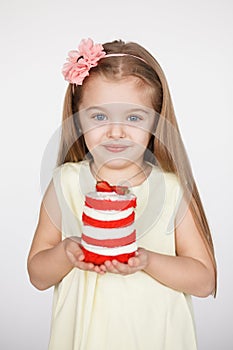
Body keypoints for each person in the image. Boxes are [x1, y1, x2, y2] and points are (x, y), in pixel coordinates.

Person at [27, 38, 217, 350]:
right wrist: (67, 252)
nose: (116, 132)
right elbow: (37, 275)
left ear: (156, 121)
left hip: (157, 338)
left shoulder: (170, 190)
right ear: (78, 118)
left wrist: (147, 260)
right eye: (99, 117)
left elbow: (203, 280)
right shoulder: (65, 184)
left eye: (134, 117)